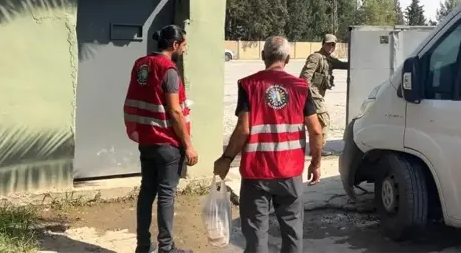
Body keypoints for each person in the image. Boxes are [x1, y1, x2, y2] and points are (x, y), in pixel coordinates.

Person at [213, 36, 324, 253]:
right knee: (292, 232)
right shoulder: (300, 87)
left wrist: (226, 159)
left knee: (256, 235)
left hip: (257, 173)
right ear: (288, 59)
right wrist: (316, 163)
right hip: (289, 173)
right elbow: (316, 130)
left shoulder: (248, 85)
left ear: (263, 56)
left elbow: (243, 129)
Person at [123, 25, 198, 253]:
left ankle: (143, 246)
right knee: (166, 195)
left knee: (147, 192)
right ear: (174, 45)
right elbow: (175, 112)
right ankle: (166, 248)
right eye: (183, 46)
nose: (184, 50)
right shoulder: (169, 70)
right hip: (167, 143)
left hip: (146, 140)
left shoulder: (141, 64)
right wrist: (189, 145)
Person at [299, 34, 348, 156]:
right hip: (312, 95)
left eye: (333, 44)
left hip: (316, 96)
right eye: (328, 44)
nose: (331, 46)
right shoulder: (316, 57)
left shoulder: (329, 59)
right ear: (323, 44)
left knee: (317, 123)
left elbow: (343, 65)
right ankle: (318, 149)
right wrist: (309, 96)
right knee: (324, 119)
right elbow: (304, 78)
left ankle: (316, 148)